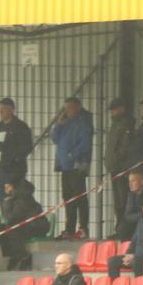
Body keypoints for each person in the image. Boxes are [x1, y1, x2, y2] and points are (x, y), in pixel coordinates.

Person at [51, 96, 93, 239]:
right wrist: (59, 124)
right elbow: (54, 138)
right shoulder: (66, 122)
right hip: (65, 166)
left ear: (78, 107)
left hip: (76, 165)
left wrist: (72, 155)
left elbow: (85, 143)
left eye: (70, 108)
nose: (67, 111)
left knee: (79, 196)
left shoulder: (83, 121)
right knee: (68, 198)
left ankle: (83, 228)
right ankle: (69, 228)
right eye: (65, 108)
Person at [0, 180, 49, 270]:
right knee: (1, 228)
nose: (5, 189)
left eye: (8, 186)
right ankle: (14, 255)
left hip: (35, 227)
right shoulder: (16, 199)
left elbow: (12, 218)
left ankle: (23, 255)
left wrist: (7, 203)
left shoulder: (23, 200)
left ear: (14, 188)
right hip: (26, 226)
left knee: (11, 229)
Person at [0, 97, 33, 207]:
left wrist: (14, 159)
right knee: (2, 199)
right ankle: (5, 218)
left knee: (14, 199)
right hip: (0, 171)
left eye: (3, 109)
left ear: (11, 110)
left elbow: (27, 146)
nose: (0, 112)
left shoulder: (20, 126)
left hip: (14, 171)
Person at [103, 97, 135, 236]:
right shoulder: (115, 125)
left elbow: (125, 146)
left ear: (121, 109)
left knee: (123, 199)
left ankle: (125, 229)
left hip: (122, 167)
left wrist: (117, 158)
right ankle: (120, 228)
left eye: (114, 110)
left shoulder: (126, 124)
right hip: (114, 167)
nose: (112, 113)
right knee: (117, 201)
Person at [116, 170, 143, 243]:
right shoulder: (131, 195)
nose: (130, 184)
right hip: (135, 223)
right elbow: (127, 215)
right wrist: (141, 214)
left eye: (133, 181)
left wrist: (141, 215)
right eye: (129, 182)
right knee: (123, 226)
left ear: (142, 182)